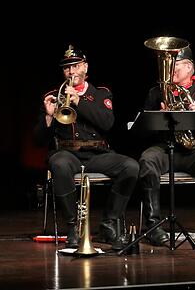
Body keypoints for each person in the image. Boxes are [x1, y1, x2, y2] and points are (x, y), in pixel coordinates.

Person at [35, 45, 139, 251]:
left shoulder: (100, 93)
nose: (71, 72)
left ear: (85, 67)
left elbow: (107, 123)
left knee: (131, 167)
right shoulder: (53, 95)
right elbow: (38, 140)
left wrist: (79, 102)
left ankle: (109, 222)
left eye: (75, 66)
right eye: (67, 68)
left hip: (97, 154)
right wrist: (48, 116)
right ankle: (74, 227)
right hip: (68, 154)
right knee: (59, 162)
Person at [139, 45, 195, 245]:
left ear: (189, 67)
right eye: (168, 65)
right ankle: (153, 225)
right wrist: (158, 120)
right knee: (147, 159)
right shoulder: (156, 93)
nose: (170, 70)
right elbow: (141, 132)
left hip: (192, 152)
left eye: (175, 65)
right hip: (164, 149)